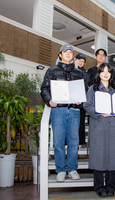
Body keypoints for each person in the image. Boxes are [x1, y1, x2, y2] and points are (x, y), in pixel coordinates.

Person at [40, 44, 84, 182]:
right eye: (65, 51)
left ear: (72, 56)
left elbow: (84, 90)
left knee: (74, 141)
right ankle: (60, 169)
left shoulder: (79, 73)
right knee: (58, 141)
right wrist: (49, 100)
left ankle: (72, 169)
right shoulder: (52, 70)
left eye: (71, 52)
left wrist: (80, 100)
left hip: (74, 110)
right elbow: (44, 89)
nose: (68, 53)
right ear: (60, 54)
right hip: (58, 110)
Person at [83, 63, 115, 197]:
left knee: (113, 156)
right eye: (102, 71)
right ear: (99, 73)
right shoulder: (92, 89)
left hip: (114, 125)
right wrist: (99, 112)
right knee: (98, 156)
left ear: (112, 74)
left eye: (108, 71)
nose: (105, 73)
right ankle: (99, 186)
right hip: (99, 125)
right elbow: (87, 105)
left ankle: (111, 186)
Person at [74, 53, 90, 145]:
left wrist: (78, 70)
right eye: (79, 60)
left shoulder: (85, 73)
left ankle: (79, 143)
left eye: (83, 61)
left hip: (80, 103)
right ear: (75, 59)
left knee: (80, 124)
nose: (81, 62)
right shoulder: (69, 69)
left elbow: (86, 82)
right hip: (69, 103)